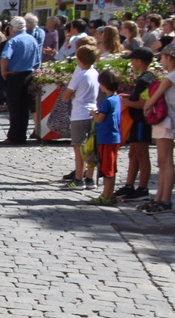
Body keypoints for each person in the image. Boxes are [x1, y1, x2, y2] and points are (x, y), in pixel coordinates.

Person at [138, 48, 175, 214]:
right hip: (166, 121)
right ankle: (159, 197)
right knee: (162, 161)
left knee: (165, 161)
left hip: (166, 121)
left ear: (170, 58)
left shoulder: (170, 77)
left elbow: (151, 100)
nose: (161, 61)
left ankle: (164, 198)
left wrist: (147, 105)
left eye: (163, 58)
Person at [61, 46, 101, 189]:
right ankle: (90, 178)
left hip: (79, 114)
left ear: (79, 60)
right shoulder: (95, 73)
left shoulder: (79, 75)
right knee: (91, 147)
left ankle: (78, 178)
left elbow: (66, 95)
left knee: (79, 148)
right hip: (93, 111)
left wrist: (73, 95)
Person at [120, 48, 157, 201]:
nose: (132, 63)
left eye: (133, 60)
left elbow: (143, 104)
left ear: (139, 61)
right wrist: (130, 97)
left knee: (142, 154)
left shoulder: (143, 80)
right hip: (137, 120)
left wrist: (126, 102)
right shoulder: (148, 77)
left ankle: (142, 188)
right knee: (133, 153)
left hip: (141, 120)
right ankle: (129, 185)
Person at [0, 16, 40, 143]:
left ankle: (15, 136)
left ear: (12, 28)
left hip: (15, 75)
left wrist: (4, 71)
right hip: (29, 75)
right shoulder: (32, 39)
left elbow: (5, 57)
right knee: (25, 107)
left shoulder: (13, 40)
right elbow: (37, 61)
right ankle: (22, 135)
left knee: (15, 107)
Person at [90, 70, 123, 205]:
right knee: (111, 168)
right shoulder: (117, 99)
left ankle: (106, 195)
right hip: (114, 137)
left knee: (107, 169)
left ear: (103, 85)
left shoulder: (107, 101)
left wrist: (93, 113)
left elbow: (100, 119)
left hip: (106, 138)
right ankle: (109, 194)